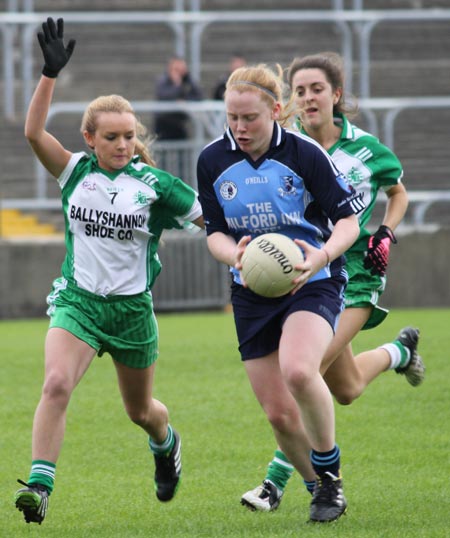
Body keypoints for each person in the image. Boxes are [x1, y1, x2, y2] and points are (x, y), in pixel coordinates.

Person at [14, 18, 203, 525]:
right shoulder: (75, 172)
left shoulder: (157, 185)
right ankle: (40, 486)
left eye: (128, 136)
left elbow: (214, 222)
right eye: (111, 137)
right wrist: (49, 74)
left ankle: (166, 445)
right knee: (55, 385)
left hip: (132, 312)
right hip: (78, 302)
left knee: (141, 413)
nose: (122, 144)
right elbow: (32, 132)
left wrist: (247, 247)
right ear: (90, 138)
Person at [241, 51, 425, 512]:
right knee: (344, 389)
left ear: (336, 95)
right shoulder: (288, 145)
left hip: (356, 273)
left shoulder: (367, 149)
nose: (307, 98)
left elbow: (397, 192)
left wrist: (386, 230)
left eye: (316, 89)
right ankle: (399, 352)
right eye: (299, 91)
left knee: (306, 370)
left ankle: (276, 483)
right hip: (307, 272)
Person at [197, 63, 360, 523]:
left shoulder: (305, 154)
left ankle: (332, 477)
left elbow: (348, 221)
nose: (239, 127)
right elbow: (214, 233)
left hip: (312, 279)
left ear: (274, 110)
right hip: (251, 290)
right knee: (279, 415)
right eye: (231, 117)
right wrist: (236, 256)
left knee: (299, 371)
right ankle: (318, 488)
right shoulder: (212, 159)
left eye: (249, 118)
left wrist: (322, 257)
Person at [154, 55, 203, 140]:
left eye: (182, 68)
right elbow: (164, 96)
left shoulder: (187, 80)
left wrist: (186, 101)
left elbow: (198, 96)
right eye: (176, 69)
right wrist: (177, 84)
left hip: (179, 124)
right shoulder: (163, 80)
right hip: (164, 124)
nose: (179, 72)